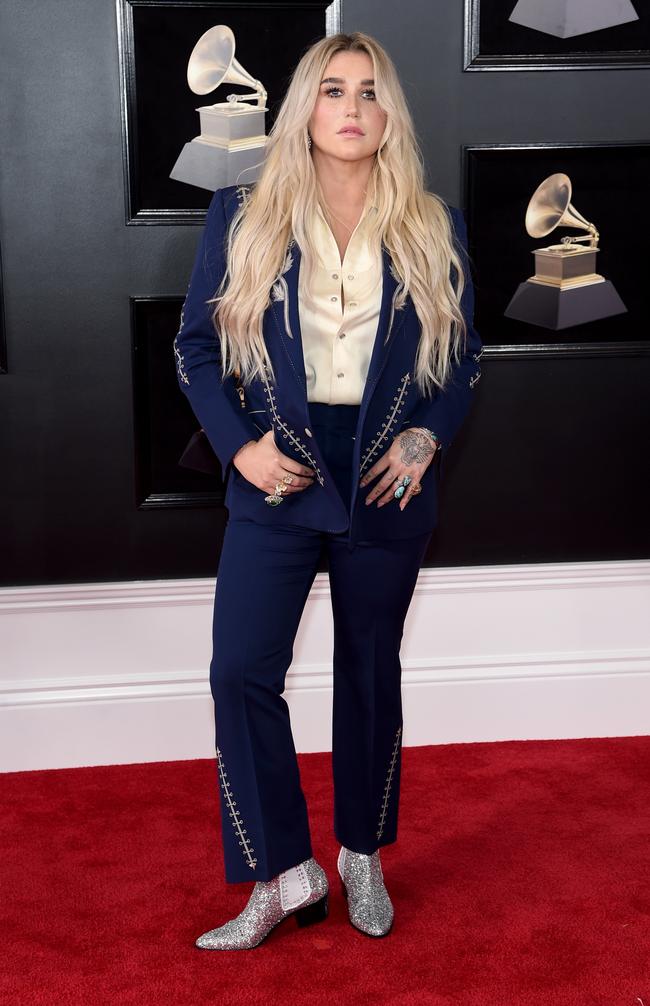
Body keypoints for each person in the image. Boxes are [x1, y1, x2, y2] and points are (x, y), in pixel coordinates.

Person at [173, 31, 482, 950]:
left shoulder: (432, 220)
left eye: (371, 92)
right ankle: (282, 870)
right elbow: (194, 349)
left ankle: (360, 854)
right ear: (305, 104)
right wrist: (240, 450)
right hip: (279, 469)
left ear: (391, 114)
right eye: (334, 90)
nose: (352, 109)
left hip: (386, 474)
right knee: (240, 670)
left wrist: (428, 434)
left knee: (369, 675)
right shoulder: (243, 212)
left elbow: (460, 360)